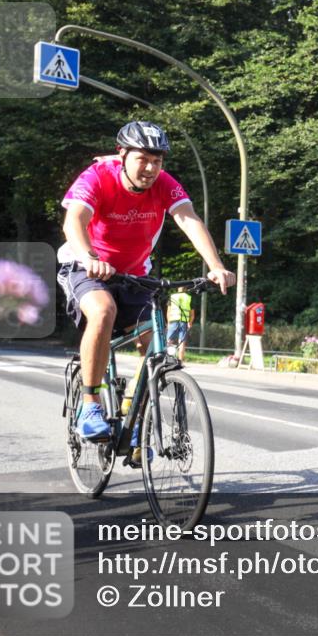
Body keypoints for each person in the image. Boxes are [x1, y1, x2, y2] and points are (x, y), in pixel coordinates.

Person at [57, 120, 235, 441]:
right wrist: (90, 258)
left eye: (157, 161)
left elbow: (189, 220)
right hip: (86, 265)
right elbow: (74, 222)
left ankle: (135, 418)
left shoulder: (164, 184)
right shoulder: (97, 177)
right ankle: (90, 405)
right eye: (143, 159)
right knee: (103, 311)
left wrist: (216, 266)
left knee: (156, 344)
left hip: (135, 274)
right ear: (122, 154)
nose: (151, 168)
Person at [166, 286, 195, 362]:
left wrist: (168, 323)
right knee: (181, 342)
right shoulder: (189, 298)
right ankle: (180, 361)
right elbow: (192, 314)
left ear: (178, 289)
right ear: (186, 289)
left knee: (169, 341)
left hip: (173, 321)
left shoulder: (172, 297)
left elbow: (168, 311)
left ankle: (168, 359)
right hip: (183, 321)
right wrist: (190, 322)